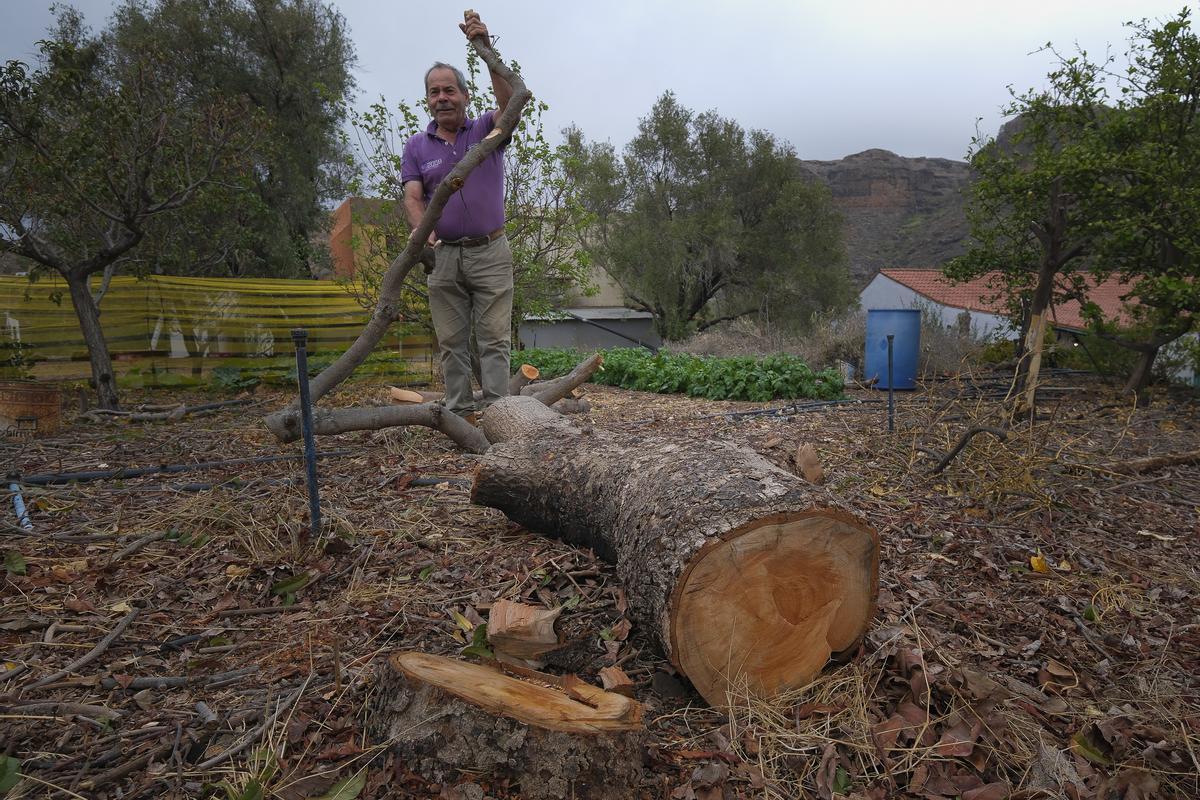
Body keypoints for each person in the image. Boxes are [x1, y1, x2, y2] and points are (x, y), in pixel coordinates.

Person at [401, 12, 514, 423]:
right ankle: (461, 417)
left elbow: (508, 104)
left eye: (450, 90)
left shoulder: (486, 129)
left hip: (491, 250)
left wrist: (486, 52)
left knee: (494, 339)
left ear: (464, 96)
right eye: (434, 92)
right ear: (428, 100)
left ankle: (502, 416)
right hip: (444, 255)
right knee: (451, 340)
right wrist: (421, 231)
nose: (442, 98)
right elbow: (413, 197)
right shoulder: (416, 146)